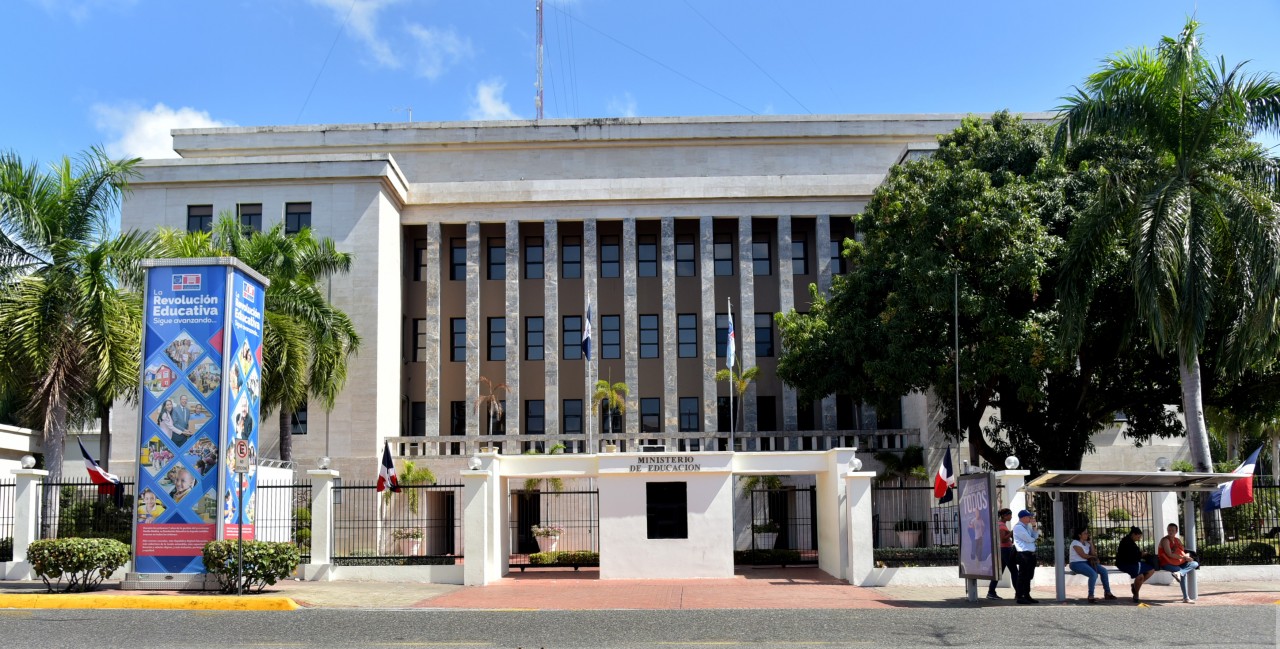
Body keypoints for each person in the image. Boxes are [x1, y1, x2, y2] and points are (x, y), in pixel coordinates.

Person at [1069, 528, 1116, 602]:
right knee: (1093, 575)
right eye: (1085, 533)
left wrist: (1090, 543)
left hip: (1087, 563)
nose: (1087, 534)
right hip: (1076, 563)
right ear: (1079, 535)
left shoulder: (1087, 543)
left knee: (1104, 571)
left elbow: (1093, 554)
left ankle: (1108, 593)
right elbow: (1083, 555)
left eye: (1087, 533)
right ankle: (1091, 596)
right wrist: (1094, 557)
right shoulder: (1075, 543)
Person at [1158, 523, 1200, 603]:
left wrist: (1186, 556)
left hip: (1178, 562)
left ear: (1176, 531)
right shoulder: (1165, 540)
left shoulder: (1177, 540)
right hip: (1166, 563)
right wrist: (1184, 557)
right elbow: (1169, 554)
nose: (1170, 532)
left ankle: (1179, 573)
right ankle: (1186, 598)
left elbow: (1181, 551)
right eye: (1169, 530)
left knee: (1195, 564)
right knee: (1180, 571)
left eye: (1172, 530)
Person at [1115, 526, 1157, 602]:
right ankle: (1136, 593)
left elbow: (1134, 554)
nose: (1139, 538)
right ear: (1133, 534)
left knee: (1151, 570)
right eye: (1139, 536)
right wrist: (1141, 554)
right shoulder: (1126, 542)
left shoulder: (1131, 542)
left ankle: (1135, 586)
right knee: (1140, 576)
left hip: (1133, 563)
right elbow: (1130, 556)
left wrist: (1140, 554)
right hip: (1125, 564)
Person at [987, 508, 1019, 600]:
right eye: (1010, 515)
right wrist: (1012, 532)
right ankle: (1019, 593)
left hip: (1002, 550)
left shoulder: (1000, 524)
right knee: (1014, 571)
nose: (1011, 517)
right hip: (1006, 550)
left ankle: (991, 592)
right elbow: (1003, 539)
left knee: (999, 572)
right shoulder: (1001, 525)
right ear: (1004, 516)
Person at [1012, 509, 1039, 604]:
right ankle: (1020, 596)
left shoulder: (1027, 526)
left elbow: (1035, 536)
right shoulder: (1018, 527)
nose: (1030, 518)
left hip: (1030, 554)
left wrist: (1034, 526)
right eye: (1028, 517)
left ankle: (1027, 595)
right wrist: (1033, 538)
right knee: (1022, 576)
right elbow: (1029, 539)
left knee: (1029, 576)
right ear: (1023, 517)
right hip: (1023, 554)